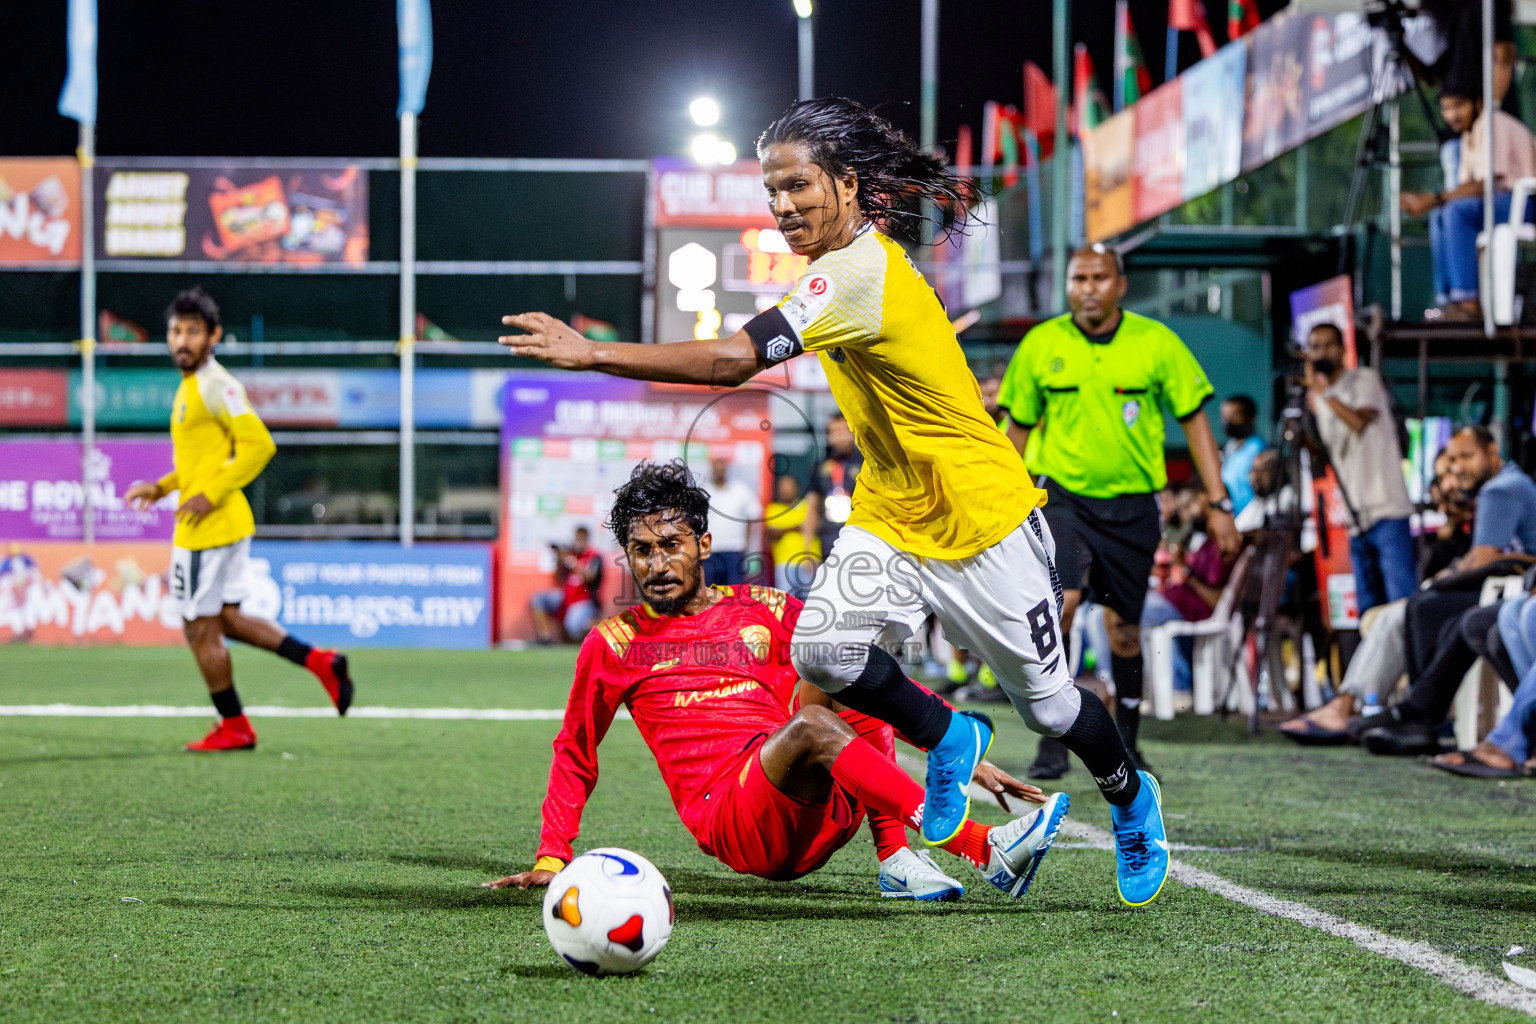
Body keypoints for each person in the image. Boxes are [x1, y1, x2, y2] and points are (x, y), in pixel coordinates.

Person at [498, 96, 1169, 907]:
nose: (782, 206)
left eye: (798, 188)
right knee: (822, 651)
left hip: (984, 518)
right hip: (891, 513)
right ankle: (952, 735)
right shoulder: (839, 270)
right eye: (771, 193)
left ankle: (1133, 798)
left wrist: (591, 353)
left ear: (847, 186)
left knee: (1056, 706)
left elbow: (730, 363)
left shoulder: (855, 273)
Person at [485, 462, 1070, 901]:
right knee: (815, 722)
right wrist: (552, 857)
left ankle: (895, 856)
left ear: (704, 545)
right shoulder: (613, 642)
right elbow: (575, 749)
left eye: (670, 545)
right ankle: (983, 848)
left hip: (818, 800)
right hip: (735, 819)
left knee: (843, 662)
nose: (656, 564)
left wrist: (948, 746)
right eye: (640, 551)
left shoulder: (765, 607)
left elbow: (867, 676)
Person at [998, 243, 1242, 779]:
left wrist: (1219, 502)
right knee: (1061, 607)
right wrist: (996, 500)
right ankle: (1055, 741)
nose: (1088, 287)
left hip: (1134, 508)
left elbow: (1197, 423)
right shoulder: (1041, 345)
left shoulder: (1157, 343)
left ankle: (1127, 744)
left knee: (1124, 633)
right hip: (1060, 500)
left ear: (1120, 285)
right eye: (1078, 277)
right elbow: (1015, 430)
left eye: (1099, 278)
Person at [124, 288, 352, 751]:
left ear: (214, 337)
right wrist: (164, 487)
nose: (181, 340)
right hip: (222, 525)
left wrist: (210, 494)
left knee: (198, 628)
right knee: (225, 618)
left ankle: (234, 725)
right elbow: (202, 462)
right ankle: (320, 662)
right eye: (175, 331)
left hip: (208, 530)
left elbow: (259, 444)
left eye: (192, 331)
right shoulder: (195, 386)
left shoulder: (216, 385)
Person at [1358, 425, 1536, 755]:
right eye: (1452, 459)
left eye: (1466, 456)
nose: (1457, 467)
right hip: (1511, 590)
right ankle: (1418, 712)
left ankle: (1422, 714)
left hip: (1516, 589)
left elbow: (1483, 559)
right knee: (1443, 611)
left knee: (1435, 609)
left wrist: (1450, 573)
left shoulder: (1501, 489)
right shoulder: (1502, 487)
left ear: (1492, 454)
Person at [1401, 78, 1536, 321]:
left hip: (1523, 203)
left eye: (1458, 105)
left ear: (1478, 102)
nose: (1452, 114)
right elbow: (1466, 187)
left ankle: (1468, 302)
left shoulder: (1493, 123)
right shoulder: (1467, 135)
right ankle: (1449, 299)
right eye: (1446, 108)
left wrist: (1434, 197)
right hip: (1498, 203)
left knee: (1455, 211)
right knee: (1441, 214)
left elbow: (1486, 184)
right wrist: (1437, 201)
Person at [1304, 323, 1417, 614]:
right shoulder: (1317, 399)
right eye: (1315, 347)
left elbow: (1358, 421)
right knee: (1369, 607)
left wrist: (1325, 394)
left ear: (1343, 349)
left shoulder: (1364, 380)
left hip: (1387, 509)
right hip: (1355, 518)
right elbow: (1327, 452)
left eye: (1329, 345)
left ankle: (1411, 660)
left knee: (1401, 600)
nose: (1322, 352)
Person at [530, 525, 603, 643]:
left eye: (582, 538)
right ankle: (545, 638)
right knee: (538, 599)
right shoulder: (570, 553)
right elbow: (559, 578)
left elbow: (591, 578)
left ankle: (599, 634)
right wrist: (560, 558)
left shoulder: (594, 556)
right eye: (577, 538)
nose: (579, 542)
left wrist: (574, 564)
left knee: (573, 625)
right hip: (566, 597)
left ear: (587, 539)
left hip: (584, 601)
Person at [807, 412, 862, 560]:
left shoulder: (865, 464)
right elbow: (811, 507)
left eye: (844, 431)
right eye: (833, 432)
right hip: (828, 536)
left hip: (859, 534)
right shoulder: (821, 467)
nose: (839, 436)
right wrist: (807, 548)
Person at [701, 456, 762, 587]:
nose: (719, 471)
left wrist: (747, 543)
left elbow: (753, 515)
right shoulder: (703, 492)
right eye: (716, 468)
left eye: (721, 468)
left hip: (734, 551)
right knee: (710, 591)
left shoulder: (741, 491)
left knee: (734, 592)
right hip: (710, 552)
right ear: (712, 470)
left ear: (726, 469)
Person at [763, 474, 820, 600]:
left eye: (788, 485)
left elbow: (814, 526)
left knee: (811, 602)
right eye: (782, 486)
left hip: (808, 560)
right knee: (786, 601)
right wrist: (797, 527)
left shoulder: (807, 506)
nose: (785, 489)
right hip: (784, 562)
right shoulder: (773, 509)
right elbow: (772, 533)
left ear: (796, 488)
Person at [1219, 395, 1266, 517]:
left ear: (1250, 418)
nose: (1227, 422)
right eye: (1225, 417)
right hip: (1233, 519)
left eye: (1233, 416)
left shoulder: (1258, 447)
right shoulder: (1229, 448)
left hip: (1252, 520)